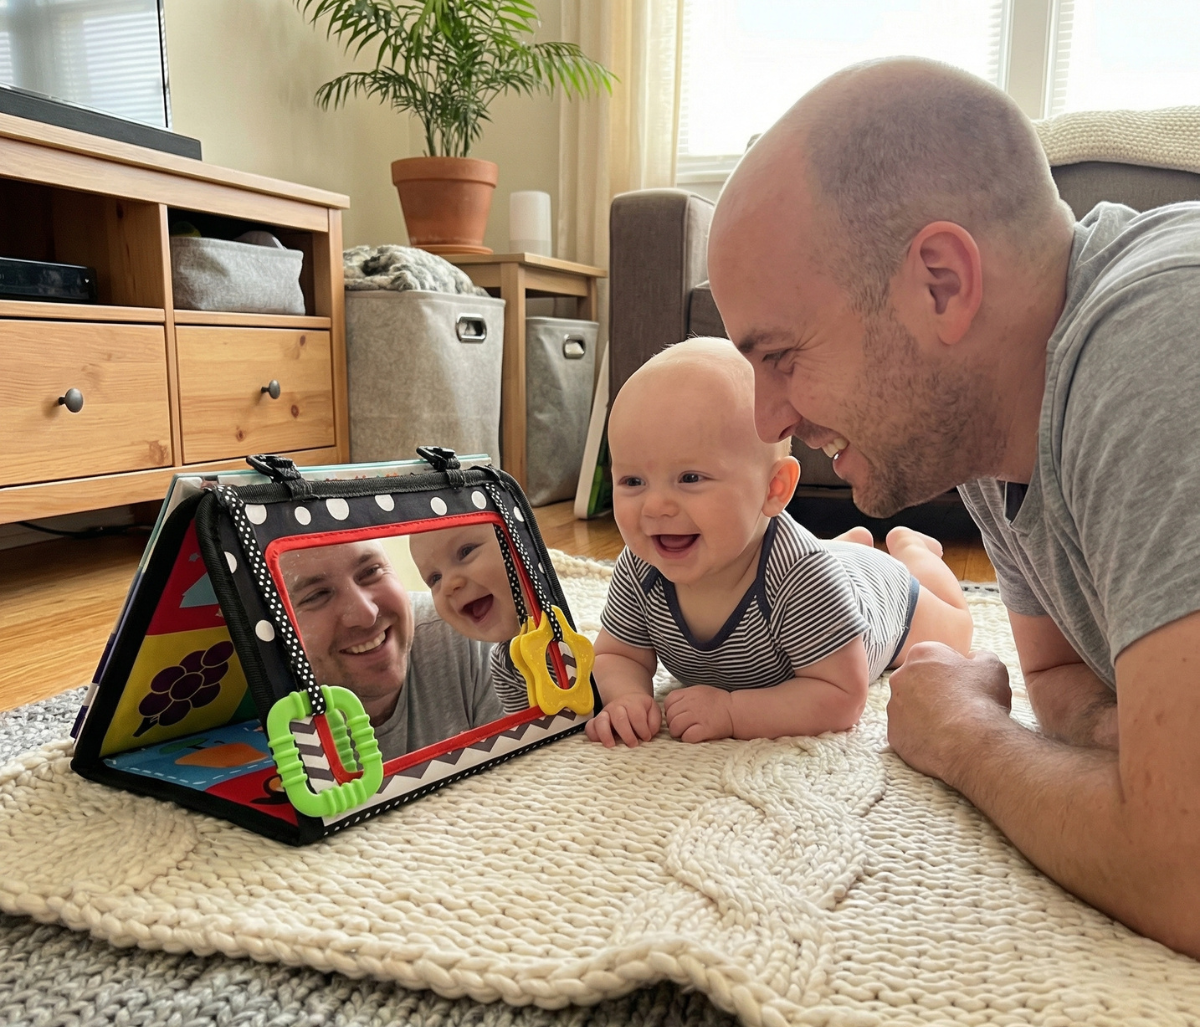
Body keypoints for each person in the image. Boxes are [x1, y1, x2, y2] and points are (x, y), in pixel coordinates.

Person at [706, 57, 1200, 957]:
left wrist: (965, 736)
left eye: (780, 356)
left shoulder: (1160, 343)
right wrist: (1132, 759)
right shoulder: (994, 412)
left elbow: (1187, 872)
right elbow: (1057, 679)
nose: (766, 419)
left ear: (941, 283)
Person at [585, 337, 972, 748]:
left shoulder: (803, 579)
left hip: (884, 595)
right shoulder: (641, 567)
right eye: (632, 481)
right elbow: (618, 654)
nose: (655, 507)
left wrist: (732, 711)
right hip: (821, 562)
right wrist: (626, 696)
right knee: (827, 557)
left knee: (956, 633)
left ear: (775, 488)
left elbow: (842, 697)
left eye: (690, 478)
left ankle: (914, 551)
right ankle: (847, 546)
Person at [279, 538, 503, 759]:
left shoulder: (464, 626)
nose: (366, 614)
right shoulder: (270, 700)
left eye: (371, 571)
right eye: (316, 596)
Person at [408, 525, 532, 713]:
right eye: (435, 578)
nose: (448, 584)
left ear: (522, 539)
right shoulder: (505, 664)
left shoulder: (563, 617)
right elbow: (529, 726)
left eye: (466, 552)